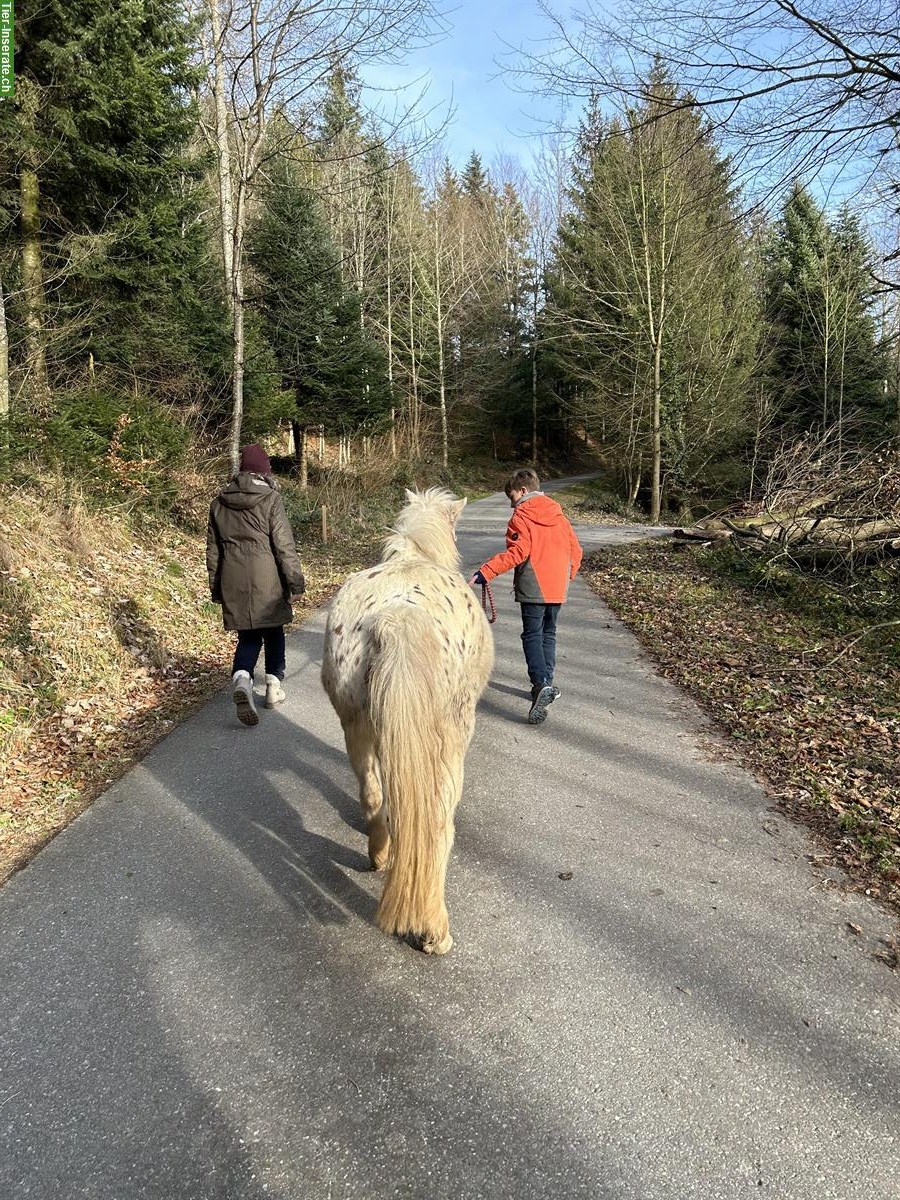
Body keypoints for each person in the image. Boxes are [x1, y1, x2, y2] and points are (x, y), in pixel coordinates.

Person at [469, 468, 583, 725]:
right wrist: (567, 576)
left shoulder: (522, 516)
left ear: (522, 491)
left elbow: (518, 552)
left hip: (534, 584)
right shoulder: (559, 515)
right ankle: (547, 683)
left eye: (512, 497)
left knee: (532, 634)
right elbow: (576, 550)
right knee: (549, 633)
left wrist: (486, 572)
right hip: (557, 587)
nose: (511, 504)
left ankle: (540, 684)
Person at [206, 443, 305, 727]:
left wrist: (217, 588)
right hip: (267, 578)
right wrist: (295, 584)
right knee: (273, 631)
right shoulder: (271, 499)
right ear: (264, 472)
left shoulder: (218, 503)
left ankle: (242, 678)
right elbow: (284, 546)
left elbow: (213, 552)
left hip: (232, 579)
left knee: (248, 636)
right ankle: (273, 687)